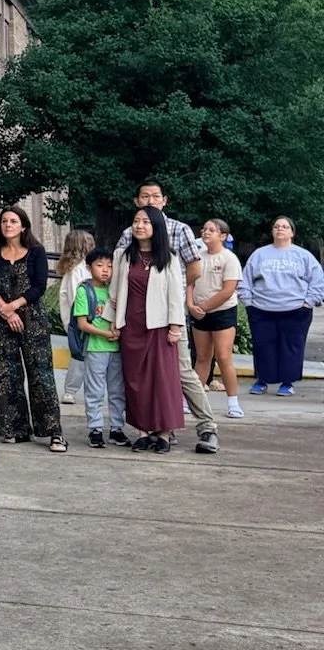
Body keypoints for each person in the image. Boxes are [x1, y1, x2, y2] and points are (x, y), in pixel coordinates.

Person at [117, 181, 219, 455]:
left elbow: (193, 268)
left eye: (155, 196)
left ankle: (207, 428)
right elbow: (119, 276)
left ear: (164, 200)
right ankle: (152, 429)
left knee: (181, 372)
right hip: (137, 320)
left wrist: (182, 299)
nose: (149, 200)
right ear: (137, 200)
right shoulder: (129, 234)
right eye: (144, 196)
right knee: (141, 376)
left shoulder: (179, 229)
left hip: (170, 315)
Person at [0, 207, 66, 450]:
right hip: (1, 319)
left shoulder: (36, 253)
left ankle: (53, 432)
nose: (8, 225)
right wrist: (5, 310)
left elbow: (39, 285)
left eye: (13, 221)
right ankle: (15, 428)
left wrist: (14, 307)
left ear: (23, 226)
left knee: (40, 373)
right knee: (6, 374)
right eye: (4, 221)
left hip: (32, 318)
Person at [110, 208, 186, 452]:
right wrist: (114, 321)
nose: (139, 226)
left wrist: (175, 327)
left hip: (159, 327)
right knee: (135, 381)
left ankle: (163, 434)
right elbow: (114, 293)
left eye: (145, 222)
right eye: (136, 221)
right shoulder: (123, 255)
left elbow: (176, 295)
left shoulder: (168, 257)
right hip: (131, 326)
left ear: (156, 226)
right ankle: (143, 432)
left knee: (163, 381)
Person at [239, 217, 324, 396]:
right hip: (262, 309)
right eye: (276, 226)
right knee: (263, 346)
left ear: (292, 232)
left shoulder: (303, 256)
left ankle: (287, 383)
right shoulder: (260, 254)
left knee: (292, 346)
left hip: (295, 310)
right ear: (272, 231)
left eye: (285, 227)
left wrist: (309, 302)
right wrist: (248, 301)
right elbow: (245, 278)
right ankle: (262, 381)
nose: (280, 229)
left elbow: (317, 280)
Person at [70, 245, 126, 447]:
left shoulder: (116, 291)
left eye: (109, 266)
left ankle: (117, 428)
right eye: (99, 265)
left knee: (117, 390)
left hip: (116, 349)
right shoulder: (85, 291)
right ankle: (95, 428)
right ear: (89, 267)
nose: (105, 270)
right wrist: (106, 333)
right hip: (95, 348)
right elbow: (82, 324)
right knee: (94, 391)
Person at [190, 217, 244, 417]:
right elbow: (190, 283)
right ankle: (192, 401)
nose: (205, 232)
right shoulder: (197, 257)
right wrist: (190, 305)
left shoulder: (229, 258)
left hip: (222, 312)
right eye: (204, 229)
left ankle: (233, 402)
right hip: (198, 312)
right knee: (202, 357)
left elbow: (228, 290)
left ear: (222, 236)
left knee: (223, 356)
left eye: (211, 230)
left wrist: (203, 306)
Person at [55, 228, 97, 404]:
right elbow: (76, 297)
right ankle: (70, 390)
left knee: (87, 355)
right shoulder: (77, 271)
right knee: (80, 355)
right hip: (78, 320)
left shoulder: (80, 268)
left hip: (81, 319)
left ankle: (80, 389)